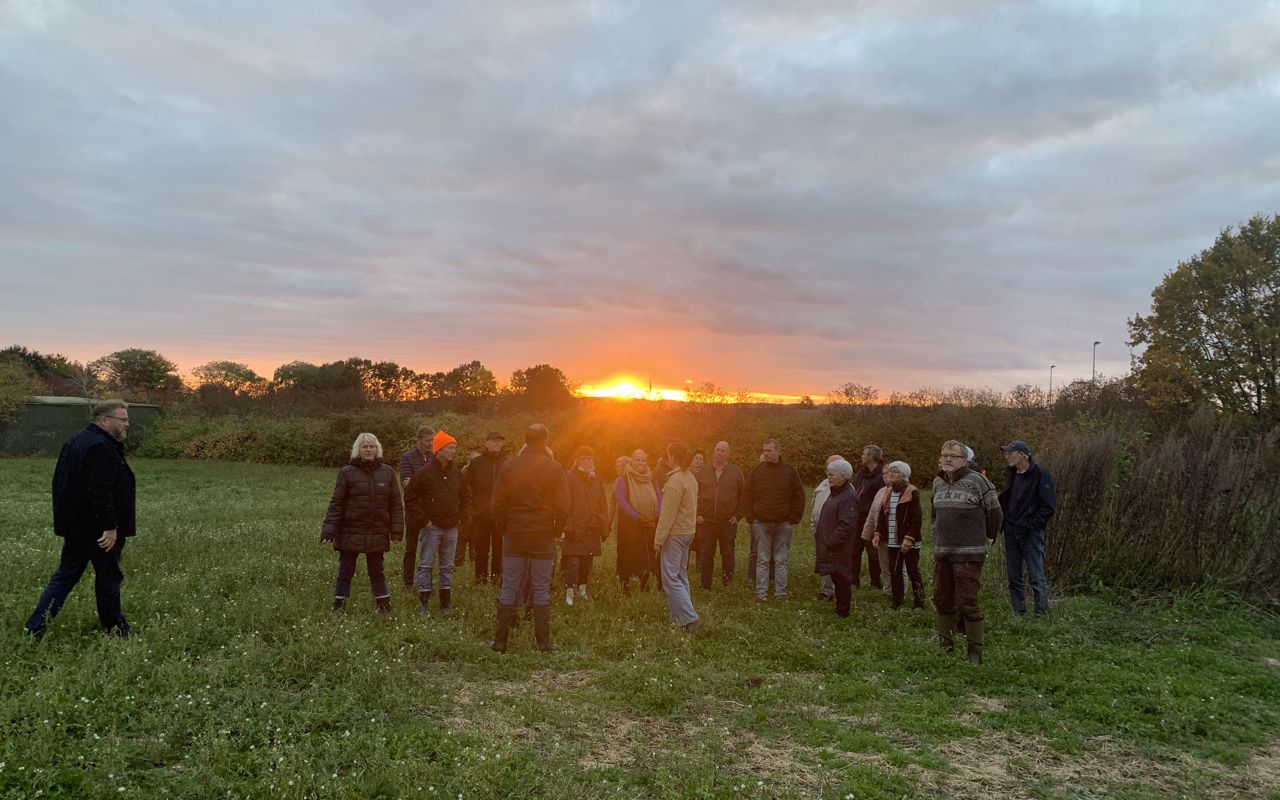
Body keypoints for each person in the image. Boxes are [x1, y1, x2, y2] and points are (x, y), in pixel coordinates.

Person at [25, 400, 137, 639]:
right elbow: (100, 490)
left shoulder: (78, 440)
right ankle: (116, 630)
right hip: (98, 531)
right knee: (109, 577)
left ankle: (34, 627)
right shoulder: (99, 447)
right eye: (123, 419)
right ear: (104, 420)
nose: (127, 424)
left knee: (66, 575)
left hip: (77, 527)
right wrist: (110, 527)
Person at [490, 424, 570, 653]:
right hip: (543, 536)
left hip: (515, 534)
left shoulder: (509, 465)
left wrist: (505, 528)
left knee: (510, 584)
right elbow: (563, 507)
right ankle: (543, 643)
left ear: (525, 440)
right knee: (542, 587)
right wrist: (555, 532)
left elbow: (497, 503)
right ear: (545, 441)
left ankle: (500, 642)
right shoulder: (554, 468)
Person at [932, 439, 1003, 665]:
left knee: (966, 600)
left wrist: (990, 536)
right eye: (944, 455)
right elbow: (935, 514)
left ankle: (975, 652)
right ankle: (946, 646)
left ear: (965, 460)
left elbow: (995, 511)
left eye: (953, 456)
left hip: (969, 553)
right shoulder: (937, 483)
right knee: (942, 598)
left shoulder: (978, 481)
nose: (948, 459)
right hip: (943, 551)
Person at [321, 432, 405, 613]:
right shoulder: (346, 473)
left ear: (377, 449)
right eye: (365, 446)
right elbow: (337, 504)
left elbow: (396, 505)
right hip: (350, 530)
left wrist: (397, 531)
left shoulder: (388, 473)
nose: (368, 449)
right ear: (358, 450)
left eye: (372, 446)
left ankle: (384, 607)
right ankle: (339, 606)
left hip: (377, 530)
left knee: (377, 570)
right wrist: (329, 531)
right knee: (346, 570)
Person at [405, 431, 471, 616]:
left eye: (455, 448)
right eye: (450, 448)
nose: (453, 452)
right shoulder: (424, 474)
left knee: (447, 566)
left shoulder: (456, 473)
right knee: (426, 564)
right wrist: (424, 520)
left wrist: (462, 517)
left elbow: (466, 497)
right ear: (439, 450)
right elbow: (410, 498)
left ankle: (445, 602)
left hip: (452, 528)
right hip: (431, 528)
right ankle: (423, 604)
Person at [998, 440, 1056, 618]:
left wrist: (1031, 525)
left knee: (1035, 574)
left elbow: (1048, 506)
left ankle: (1041, 612)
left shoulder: (1040, 473)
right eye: (1006, 452)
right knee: (1013, 574)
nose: (1006, 456)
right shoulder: (1012, 474)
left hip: (1030, 532)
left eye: (1010, 452)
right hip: (1011, 530)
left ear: (1023, 454)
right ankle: (1019, 611)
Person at [743, 439, 805, 601]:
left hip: (783, 524)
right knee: (762, 559)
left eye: (769, 450)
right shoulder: (757, 470)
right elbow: (746, 494)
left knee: (781, 560)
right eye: (764, 450)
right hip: (761, 523)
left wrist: (792, 518)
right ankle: (761, 593)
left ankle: (780, 594)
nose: (766, 453)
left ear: (778, 451)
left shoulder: (790, 471)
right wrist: (751, 518)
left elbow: (799, 496)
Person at [652, 441, 702, 632]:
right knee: (680, 576)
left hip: (675, 534)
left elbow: (667, 514)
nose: (667, 457)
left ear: (673, 457)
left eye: (668, 454)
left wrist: (658, 539)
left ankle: (690, 618)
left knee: (670, 579)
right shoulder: (690, 477)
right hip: (688, 532)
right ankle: (678, 619)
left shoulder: (674, 481)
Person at [872, 461, 924, 609]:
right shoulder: (888, 492)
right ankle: (897, 600)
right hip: (892, 539)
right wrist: (877, 533)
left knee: (913, 570)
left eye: (895, 471)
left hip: (908, 540)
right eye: (890, 471)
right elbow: (882, 516)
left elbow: (916, 517)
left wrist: (909, 538)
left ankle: (919, 602)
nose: (890, 473)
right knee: (894, 570)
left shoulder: (912, 491)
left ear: (904, 474)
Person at [694, 441, 746, 589]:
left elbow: (744, 496)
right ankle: (705, 585)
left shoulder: (736, 472)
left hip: (727, 522)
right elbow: (694, 494)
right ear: (713, 452)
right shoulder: (703, 471)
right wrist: (697, 514)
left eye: (723, 450)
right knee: (706, 554)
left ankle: (727, 583)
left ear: (728, 454)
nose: (720, 452)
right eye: (717, 449)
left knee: (728, 553)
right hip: (706, 521)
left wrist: (738, 515)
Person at [813, 458, 860, 618]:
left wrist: (830, 542)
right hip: (830, 545)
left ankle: (843, 611)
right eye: (828, 473)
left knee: (842, 579)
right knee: (836, 577)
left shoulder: (848, 496)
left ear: (843, 475)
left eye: (832, 474)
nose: (829, 477)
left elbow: (847, 525)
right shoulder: (836, 492)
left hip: (838, 547)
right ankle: (839, 607)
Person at [562, 446, 607, 606]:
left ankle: (582, 590)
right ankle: (569, 592)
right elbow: (564, 503)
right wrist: (568, 526)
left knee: (587, 561)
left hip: (592, 527)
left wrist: (604, 526)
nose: (587, 461)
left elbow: (603, 503)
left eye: (589, 458)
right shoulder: (569, 477)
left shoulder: (597, 479)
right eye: (583, 458)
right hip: (575, 527)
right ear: (577, 460)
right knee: (572, 562)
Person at [615, 449, 661, 595]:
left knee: (646, 554)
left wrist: (656, 515)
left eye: (643, 460)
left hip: (649, 523)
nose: (640, 463)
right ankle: (625, 586)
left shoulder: (651, 478)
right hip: (630, 524)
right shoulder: (623, 479)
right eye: (637, 460)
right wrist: (636, 516)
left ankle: (645, 584)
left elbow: (660, 498)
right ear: (632, 462)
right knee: (628, 554)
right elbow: (621, 500)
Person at [464, 432, 507, 584]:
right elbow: (467, 488)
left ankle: (496, 578)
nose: (497, 444)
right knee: (481, 550)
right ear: (486, 443)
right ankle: (480, 579)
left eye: (500, 441)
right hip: (481, 515)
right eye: (494, 441)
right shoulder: (476, 463)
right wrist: (471, 509)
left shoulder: (507, 462)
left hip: (501, 515)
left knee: (499, 550)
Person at [397, 425, 435, 589]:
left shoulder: (435, 457)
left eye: (432, 440)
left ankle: (426, 583)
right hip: (413, 509)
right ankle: (408, 582)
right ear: (418, 441)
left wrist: (417, 480)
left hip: (431, 510)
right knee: (411, 548)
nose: (430, 444)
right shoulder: (407, 457)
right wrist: (428, 483)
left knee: (429, 549)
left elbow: (438, 483)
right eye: (427, 441)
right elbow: (406, 484)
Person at [810, 455, 846, 601]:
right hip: (820, 530)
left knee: (835, 561)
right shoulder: (823, 485)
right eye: (827, 465)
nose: (828, 469)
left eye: (832, 466)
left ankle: (838, 591)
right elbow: (814, 504)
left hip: (834, 532)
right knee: (823, 560)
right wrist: (813, 525)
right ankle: (826, 590)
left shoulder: (844, 489)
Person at [851, 445, 885, 591]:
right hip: (857, 518)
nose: (862, 456)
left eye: (864, 454)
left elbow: (881, 499)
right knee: (854, 551)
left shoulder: (881, 476)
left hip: (871, 519)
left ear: (872, 457)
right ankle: (853, 581)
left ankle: (875, 583)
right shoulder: (861, 474)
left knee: (873, 553)